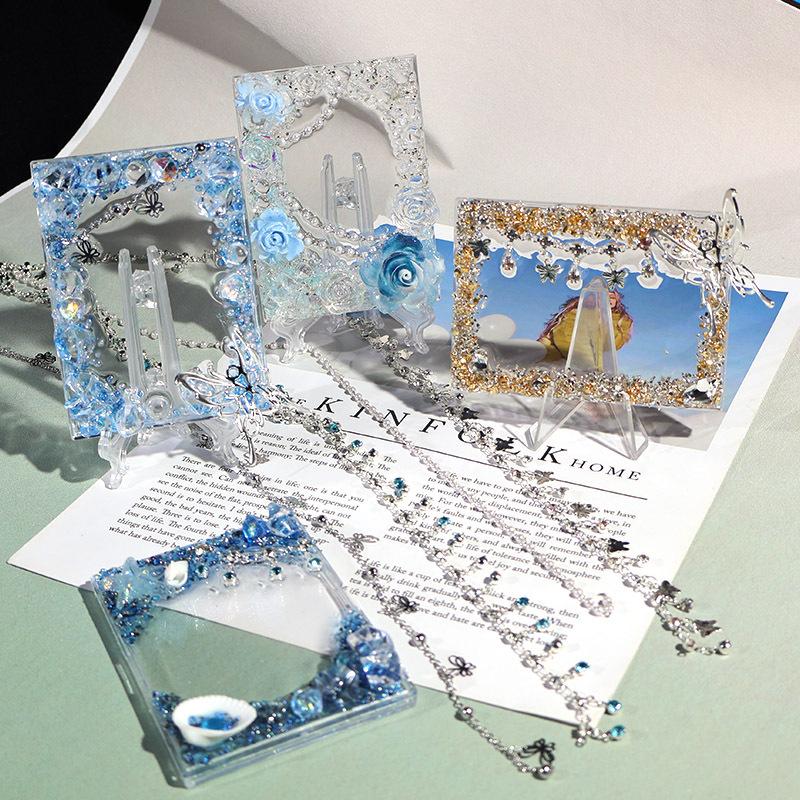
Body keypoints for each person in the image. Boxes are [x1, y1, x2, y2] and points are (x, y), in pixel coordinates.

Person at [537, 290, 633, 364]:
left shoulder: (620, 321)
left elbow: (611, 344)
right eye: (603, 296)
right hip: (561, 359)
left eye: (612, 297)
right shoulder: (575, 314)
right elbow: (563, 337)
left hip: (587, 364)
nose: (608, 299)